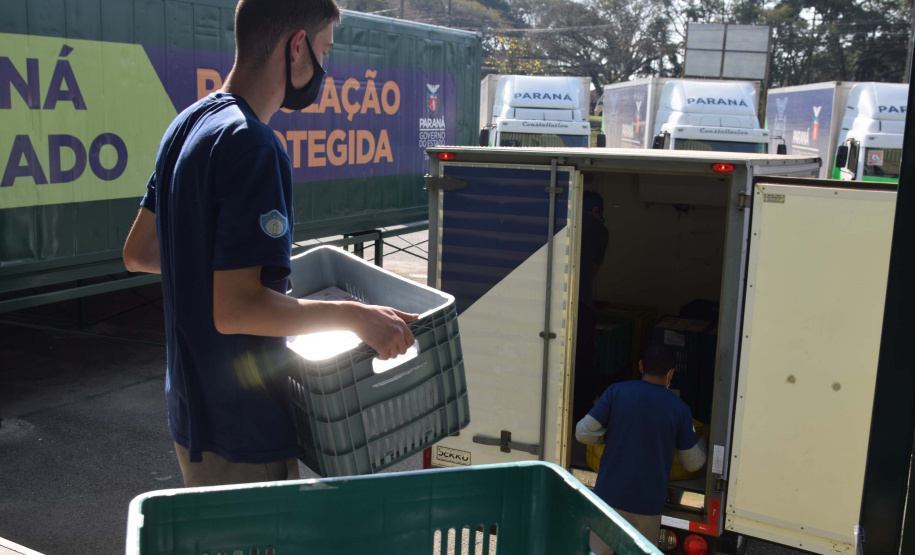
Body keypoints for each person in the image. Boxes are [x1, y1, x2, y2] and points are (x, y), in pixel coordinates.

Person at [122, 0, 417, 487]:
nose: (324, 68)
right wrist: (355, 316)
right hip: (242, 431)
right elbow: (236, 310)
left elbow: (139, 253)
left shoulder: (186, 126)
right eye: (325, 51)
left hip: (193, 418)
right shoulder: (252, 144)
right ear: (297, 45)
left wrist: (223, 269)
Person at [576, 344, 707, 554]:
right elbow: (692, 463)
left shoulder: (616, 392)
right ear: (671, 373)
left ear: (640, 366)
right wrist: (704, 441)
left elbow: (582, 433)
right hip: (647, 506)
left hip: (607, 499)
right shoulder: (679, 409)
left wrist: (611, 436)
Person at [573, 190, 609, 425]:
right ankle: (579, 413)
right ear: (596, 211)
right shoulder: (600, 230)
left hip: (556, 303)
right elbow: (593, 269)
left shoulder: (564, 222)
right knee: (582, 359)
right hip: (582, 304)